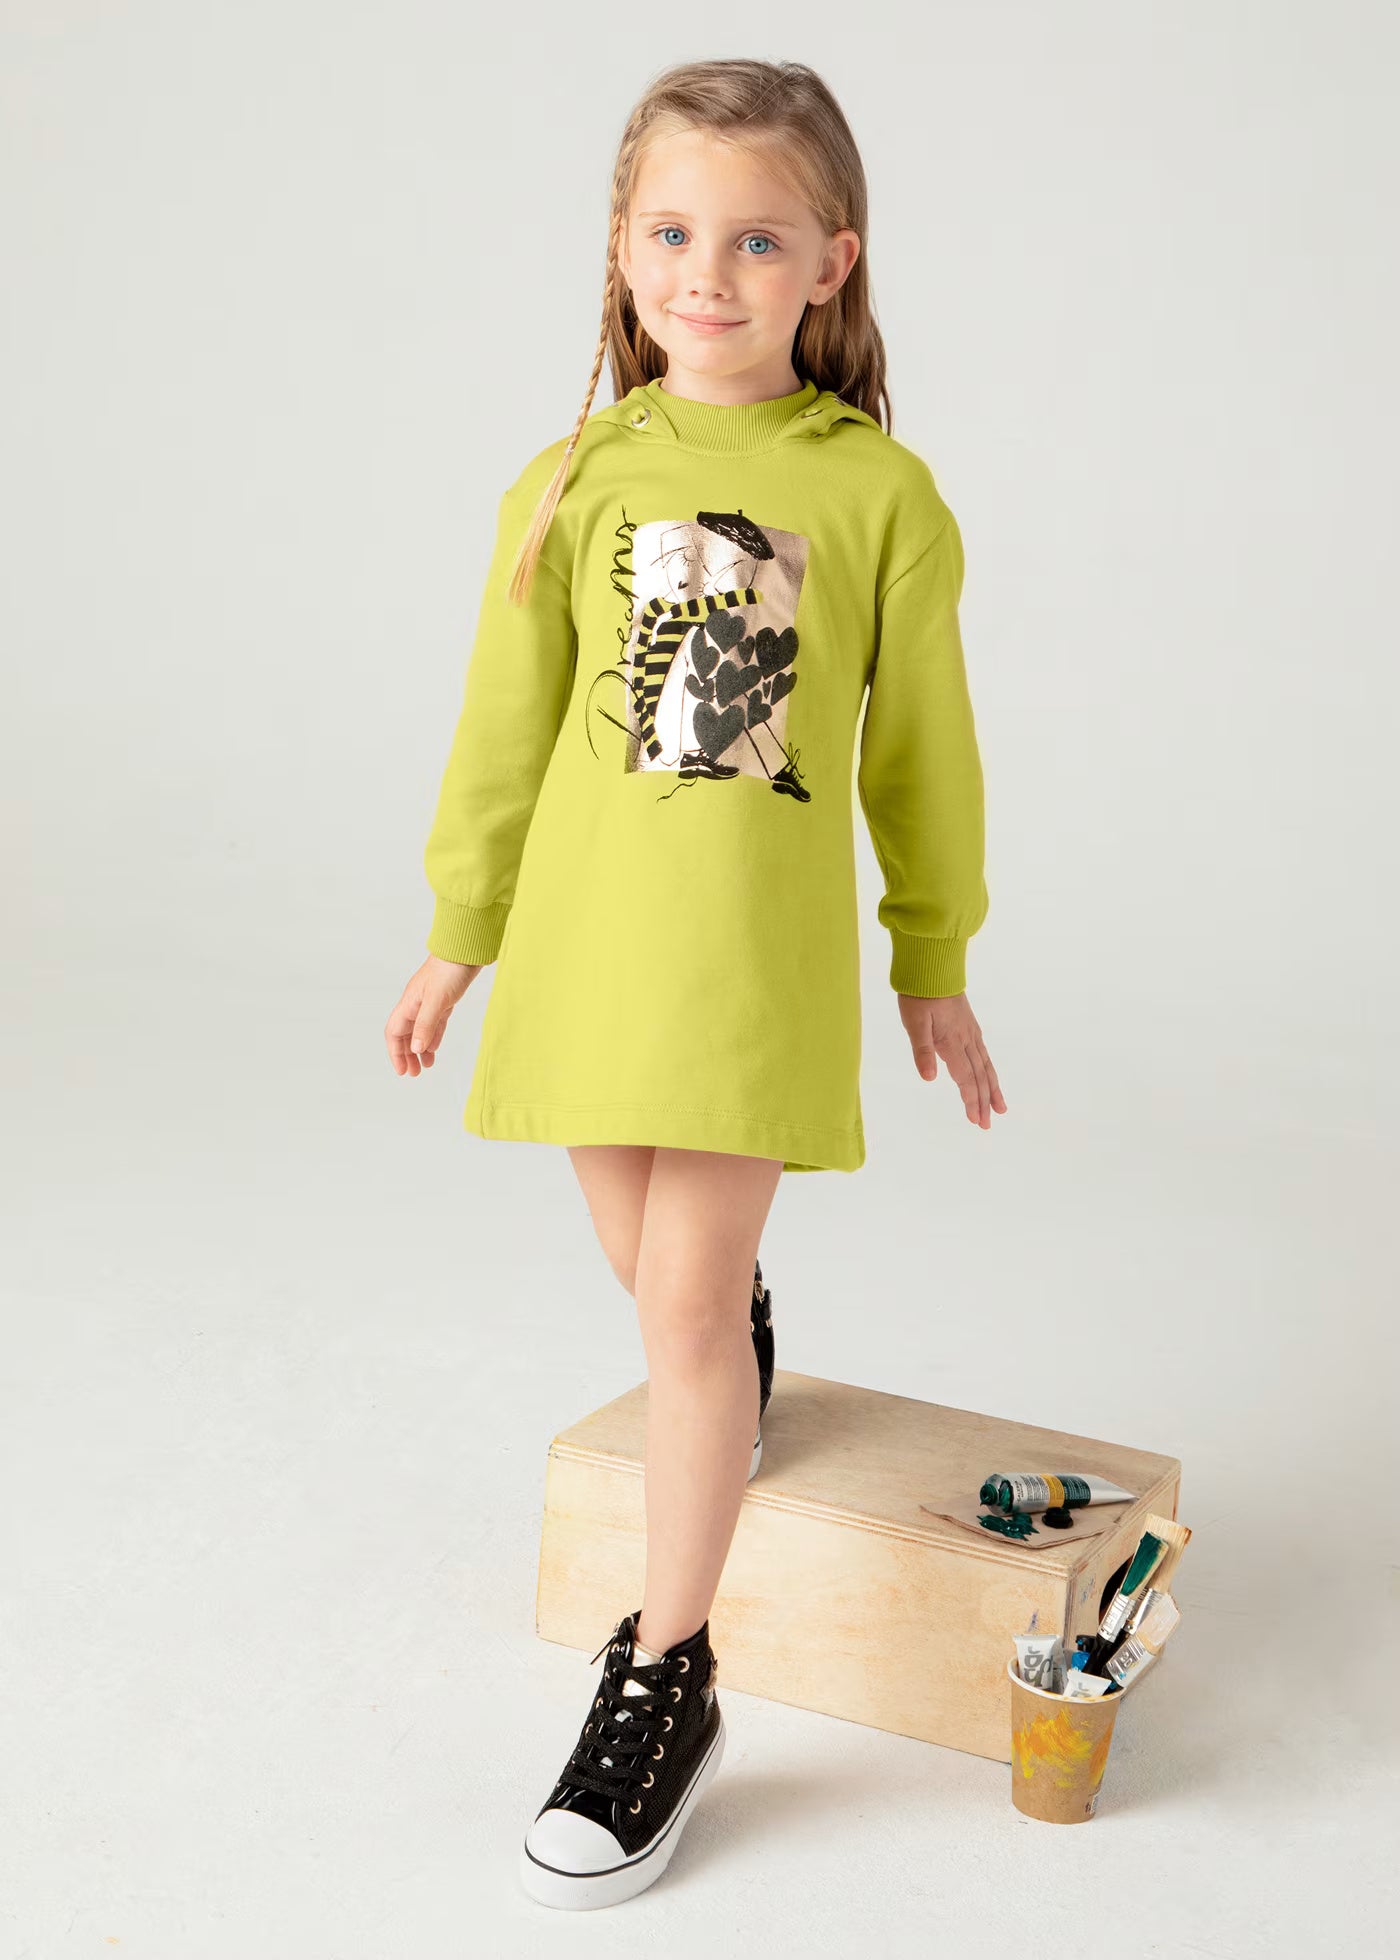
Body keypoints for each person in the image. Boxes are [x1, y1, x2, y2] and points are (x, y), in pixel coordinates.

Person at [384, 56, 1007, 1911]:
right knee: (660, 1285)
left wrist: (933, 955)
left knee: (677, 1300)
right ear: (621, 246)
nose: (706, 274)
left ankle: (667, 1675)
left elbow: (924, 754)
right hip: (591, 955)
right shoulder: (570, 480)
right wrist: (459, 932)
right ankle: (729, 1346)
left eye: (754, 239)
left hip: (748, 974)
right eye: (670, 232)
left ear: (831, 261)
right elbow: (502, 732)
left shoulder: (879, 495)